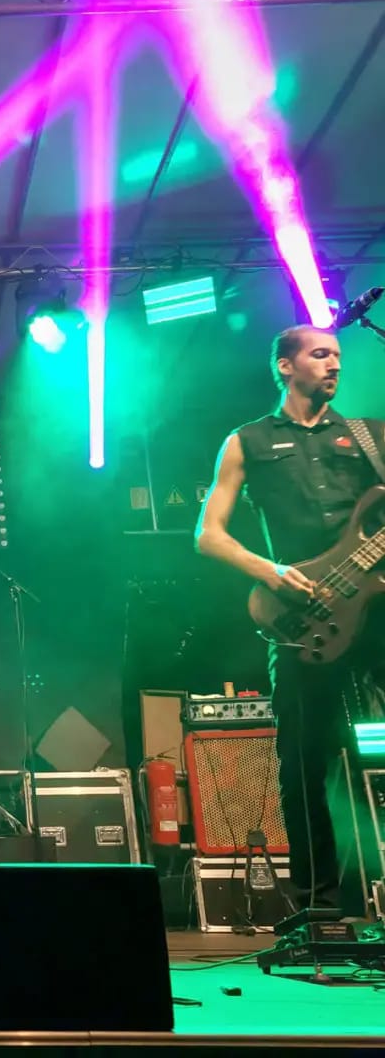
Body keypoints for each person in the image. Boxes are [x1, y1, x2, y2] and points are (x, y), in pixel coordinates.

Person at [196, 325, 381, 912]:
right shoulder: (246, 441)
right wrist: (270, 571)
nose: (334, 365)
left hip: (376, 606)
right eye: (320, 354)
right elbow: (208, 535)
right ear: (285, 365)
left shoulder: (371, 437)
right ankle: (318, 903)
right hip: (303, 614)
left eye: (338, 356)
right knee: (301, 758)